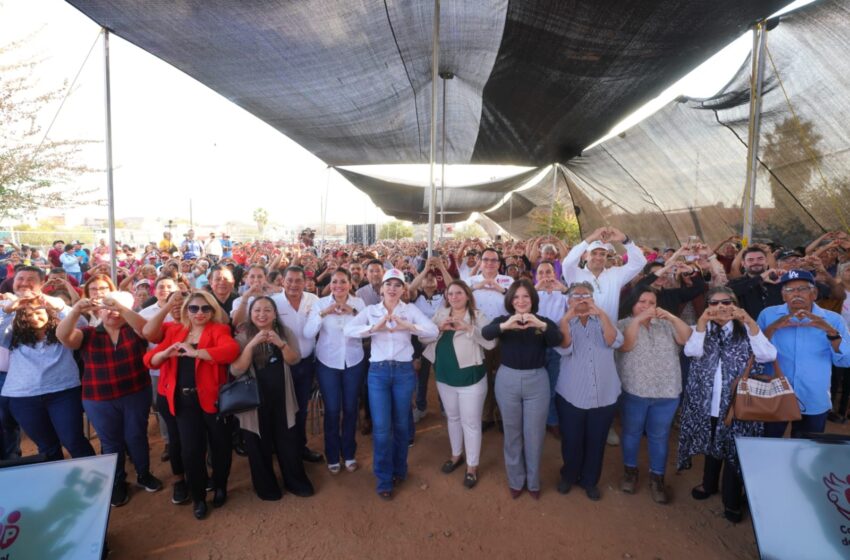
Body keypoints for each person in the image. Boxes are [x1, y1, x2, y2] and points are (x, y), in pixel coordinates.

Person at [679, 287, 776, 523]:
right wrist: (702, 323)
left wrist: (750, 322)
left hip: (738, 404)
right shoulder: (701, 330)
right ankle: (709, 484)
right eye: (714, 303)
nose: (721, 307)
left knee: (734, 449)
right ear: (708, 306)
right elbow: (691, 351)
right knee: (713, 444)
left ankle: (731, 500)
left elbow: (768, 355)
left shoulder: (747, 331)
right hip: (707, 403)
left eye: (726, 302)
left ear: (736, 304)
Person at [57, 291, 163, 507]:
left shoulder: (134, 330)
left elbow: (147, 330)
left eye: (118, 309)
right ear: (99, 311)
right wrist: (76, 309)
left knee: (136, 436)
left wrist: (121, 307)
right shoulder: (87, 333)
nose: (112, 313)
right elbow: (63, 336)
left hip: (135, 393)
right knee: (110, 442)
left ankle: (143, 474)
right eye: (107, 308)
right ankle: (116, 481)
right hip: (99, 398)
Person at [344, 268, 439, 500]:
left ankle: (400, 470)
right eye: (389, 284)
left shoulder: (410, 310)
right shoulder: (371, 311)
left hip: (404, 372)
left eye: (397, 285)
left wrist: (409, 327)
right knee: (382, 427)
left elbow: (433, 331)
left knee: (401, 425)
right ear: (381, 288)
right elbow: (349, 330)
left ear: (403, 289)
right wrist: (373, 328)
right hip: (378, 373)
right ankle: (384, 478)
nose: (393, 289)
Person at [144, 291, 240, 520]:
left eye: (205, 308)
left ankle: (220, 486)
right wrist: (165, 354)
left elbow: (230, 351)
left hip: (212, 401)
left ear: (213, 310)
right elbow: (149, 360)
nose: (199, 313)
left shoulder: (219, 330)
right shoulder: (175, 331)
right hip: (184, 402)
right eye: (194, 308)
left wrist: (196, 352)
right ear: (186, 309)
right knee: (190, 451)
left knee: (220, 447)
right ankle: (198, 497)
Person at [562, 226, 646, 447]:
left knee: (606, 381)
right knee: (579, 379)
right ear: (586, 255)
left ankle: (605, 425)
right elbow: (567, 262)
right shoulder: (575, 274)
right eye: (594, 252)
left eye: (603, 254)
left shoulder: (615, 275)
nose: (599, 257)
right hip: (578, 333)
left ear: (608, 257)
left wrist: (626, 240)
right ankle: (577, 424)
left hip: (607, 335)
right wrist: (591, 237)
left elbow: (639, 263)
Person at [481, 278, 564, 499]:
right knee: (512, 432)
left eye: (526, 296)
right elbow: (486, 333)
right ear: (510, 300)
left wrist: (541, 325)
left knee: (535, 434)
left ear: (532, 299)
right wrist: (505, 325)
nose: (521, 300)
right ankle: (516, 479)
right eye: (516, 296)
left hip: (537, 381)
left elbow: (557, 339)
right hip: (507, 379)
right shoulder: (504, 321)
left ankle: (534, 481)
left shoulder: (543, 321)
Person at [232, 296, 314, 500]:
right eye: (257, 310)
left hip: (282, 397)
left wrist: (281, 344)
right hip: (254, 400)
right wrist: (251, 345)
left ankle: (295, 481)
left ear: (275, 313)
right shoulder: (242, 337)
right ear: (250, 314)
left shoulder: (285, 332)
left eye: (267, 310)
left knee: (287, 441)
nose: (262, 314)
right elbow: (236, 370)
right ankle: (266, 487)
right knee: (258, 444)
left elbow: (295, 360)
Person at [615, 286, 691, 503]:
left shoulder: (666, 324)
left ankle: (657, 478)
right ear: (633, 304)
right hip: (635, 390)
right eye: (642, 302)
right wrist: (637, 321)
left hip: (667, 391)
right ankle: (630, 472)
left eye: (651, 303)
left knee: (660, 436)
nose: (647, 306)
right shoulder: (622, 325)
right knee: (631, 433)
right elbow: (625, 346)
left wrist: (673, 317)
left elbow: (687, 339)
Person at [0, 291, 95, 462]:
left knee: (74, 441)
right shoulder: (12, 335)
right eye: (28, 314)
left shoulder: (63, 332)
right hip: (23, 399)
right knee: (47, 447)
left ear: (48, 313)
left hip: (64, 393)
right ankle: (58, 484)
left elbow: (81, 322)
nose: (34, 317)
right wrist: (7, 310)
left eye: (39, 312)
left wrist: (58, 305)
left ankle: (97, 484)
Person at [420, 280, 495, 488]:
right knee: (453, 417)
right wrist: (438, 329)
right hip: (444, 376)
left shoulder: (478, 316)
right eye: (450, 294)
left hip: (470, 378)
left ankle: (472, 465)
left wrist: (469, 328)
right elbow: (424, 339)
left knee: (470, 422)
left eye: (458, 293)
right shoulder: (441, 314)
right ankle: (456, 455)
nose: (454, 297)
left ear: (467, 295)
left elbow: (491, 343)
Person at [758, 269, 850, 437]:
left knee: (807, 452)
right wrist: (774, 327)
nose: (796, 294)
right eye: (790, 290)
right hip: (775, 395)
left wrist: (829, 330)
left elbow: (846, 360)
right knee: (768, 444)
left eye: (802, 289)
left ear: (814, 293)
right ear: (783, 295)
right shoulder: (768, 315)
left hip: (814, 396)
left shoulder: (833, 320)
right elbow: (756, 352)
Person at [552, 281, 621, 501]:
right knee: (571, 439)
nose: (582, 299)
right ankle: (569, 476)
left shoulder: (603, 319)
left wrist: (600, 314)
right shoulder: (561, 322)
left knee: (596, 440)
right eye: (576, 295)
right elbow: (564, 347)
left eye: (587, 295)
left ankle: (590, 480)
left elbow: (614, 341)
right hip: (572, 394)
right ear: (568, 299)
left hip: (605, 393)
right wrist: (567, 317)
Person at [304, 268, 367, 474]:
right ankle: (332, 455)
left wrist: (353, 312)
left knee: (350, 408)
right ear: (330, 284)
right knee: (332, 410)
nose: (338, 286)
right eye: (334, 282)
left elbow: (369, 328)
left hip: (353, 361)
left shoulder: (359, 303)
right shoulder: (320, 304)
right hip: (328, 362)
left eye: (343, 281)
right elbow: (308, 332)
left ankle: (348, 453)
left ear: (350, 283)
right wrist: (324, 313)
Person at [468, 247, 514, 432]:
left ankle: (503, 417)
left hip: (505, 335)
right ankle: (486, 415)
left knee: (504, 379)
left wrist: (501, 289)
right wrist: (474, 288)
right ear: (480, 261)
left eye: (493, 260)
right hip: (480, 336)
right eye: (486, 259)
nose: (489, 263)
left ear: (499, 263)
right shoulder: (471, 281)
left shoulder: (508, 281)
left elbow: (516, 302)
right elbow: (457, 297)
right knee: (483, 377)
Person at [139, 277, 180, 462]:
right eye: (161, 286)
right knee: (162, 407)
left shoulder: (189, 308)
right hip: (157, 368)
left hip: (182, 366)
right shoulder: (146, 312)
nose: (164, 289)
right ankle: (168, 441)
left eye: (169, 286)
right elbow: (146, 335)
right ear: (155, 291)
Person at [534, 261, 568, 438]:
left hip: (557, 347)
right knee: (536, 387)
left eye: (549, 272)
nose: (546, 276)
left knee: (553, 387)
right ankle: (542, 421)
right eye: (541, 273)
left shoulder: (563, 294)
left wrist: (564, 289)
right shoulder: (531, 294)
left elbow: (577, 306)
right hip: (536, 346)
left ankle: (552, 420)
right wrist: (536, 288)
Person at [408, 266, 444, 423]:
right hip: (420, 345)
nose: (430, 279)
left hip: (441, 343)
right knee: (421, 379)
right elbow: (410, 288)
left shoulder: (443, 296)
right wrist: (423, 271)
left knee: (443, 376)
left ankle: (445, 407)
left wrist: (441, 267)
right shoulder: (416, 297)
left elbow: (452, 286)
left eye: (433, 277)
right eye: (426, 277)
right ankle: (421, 407)